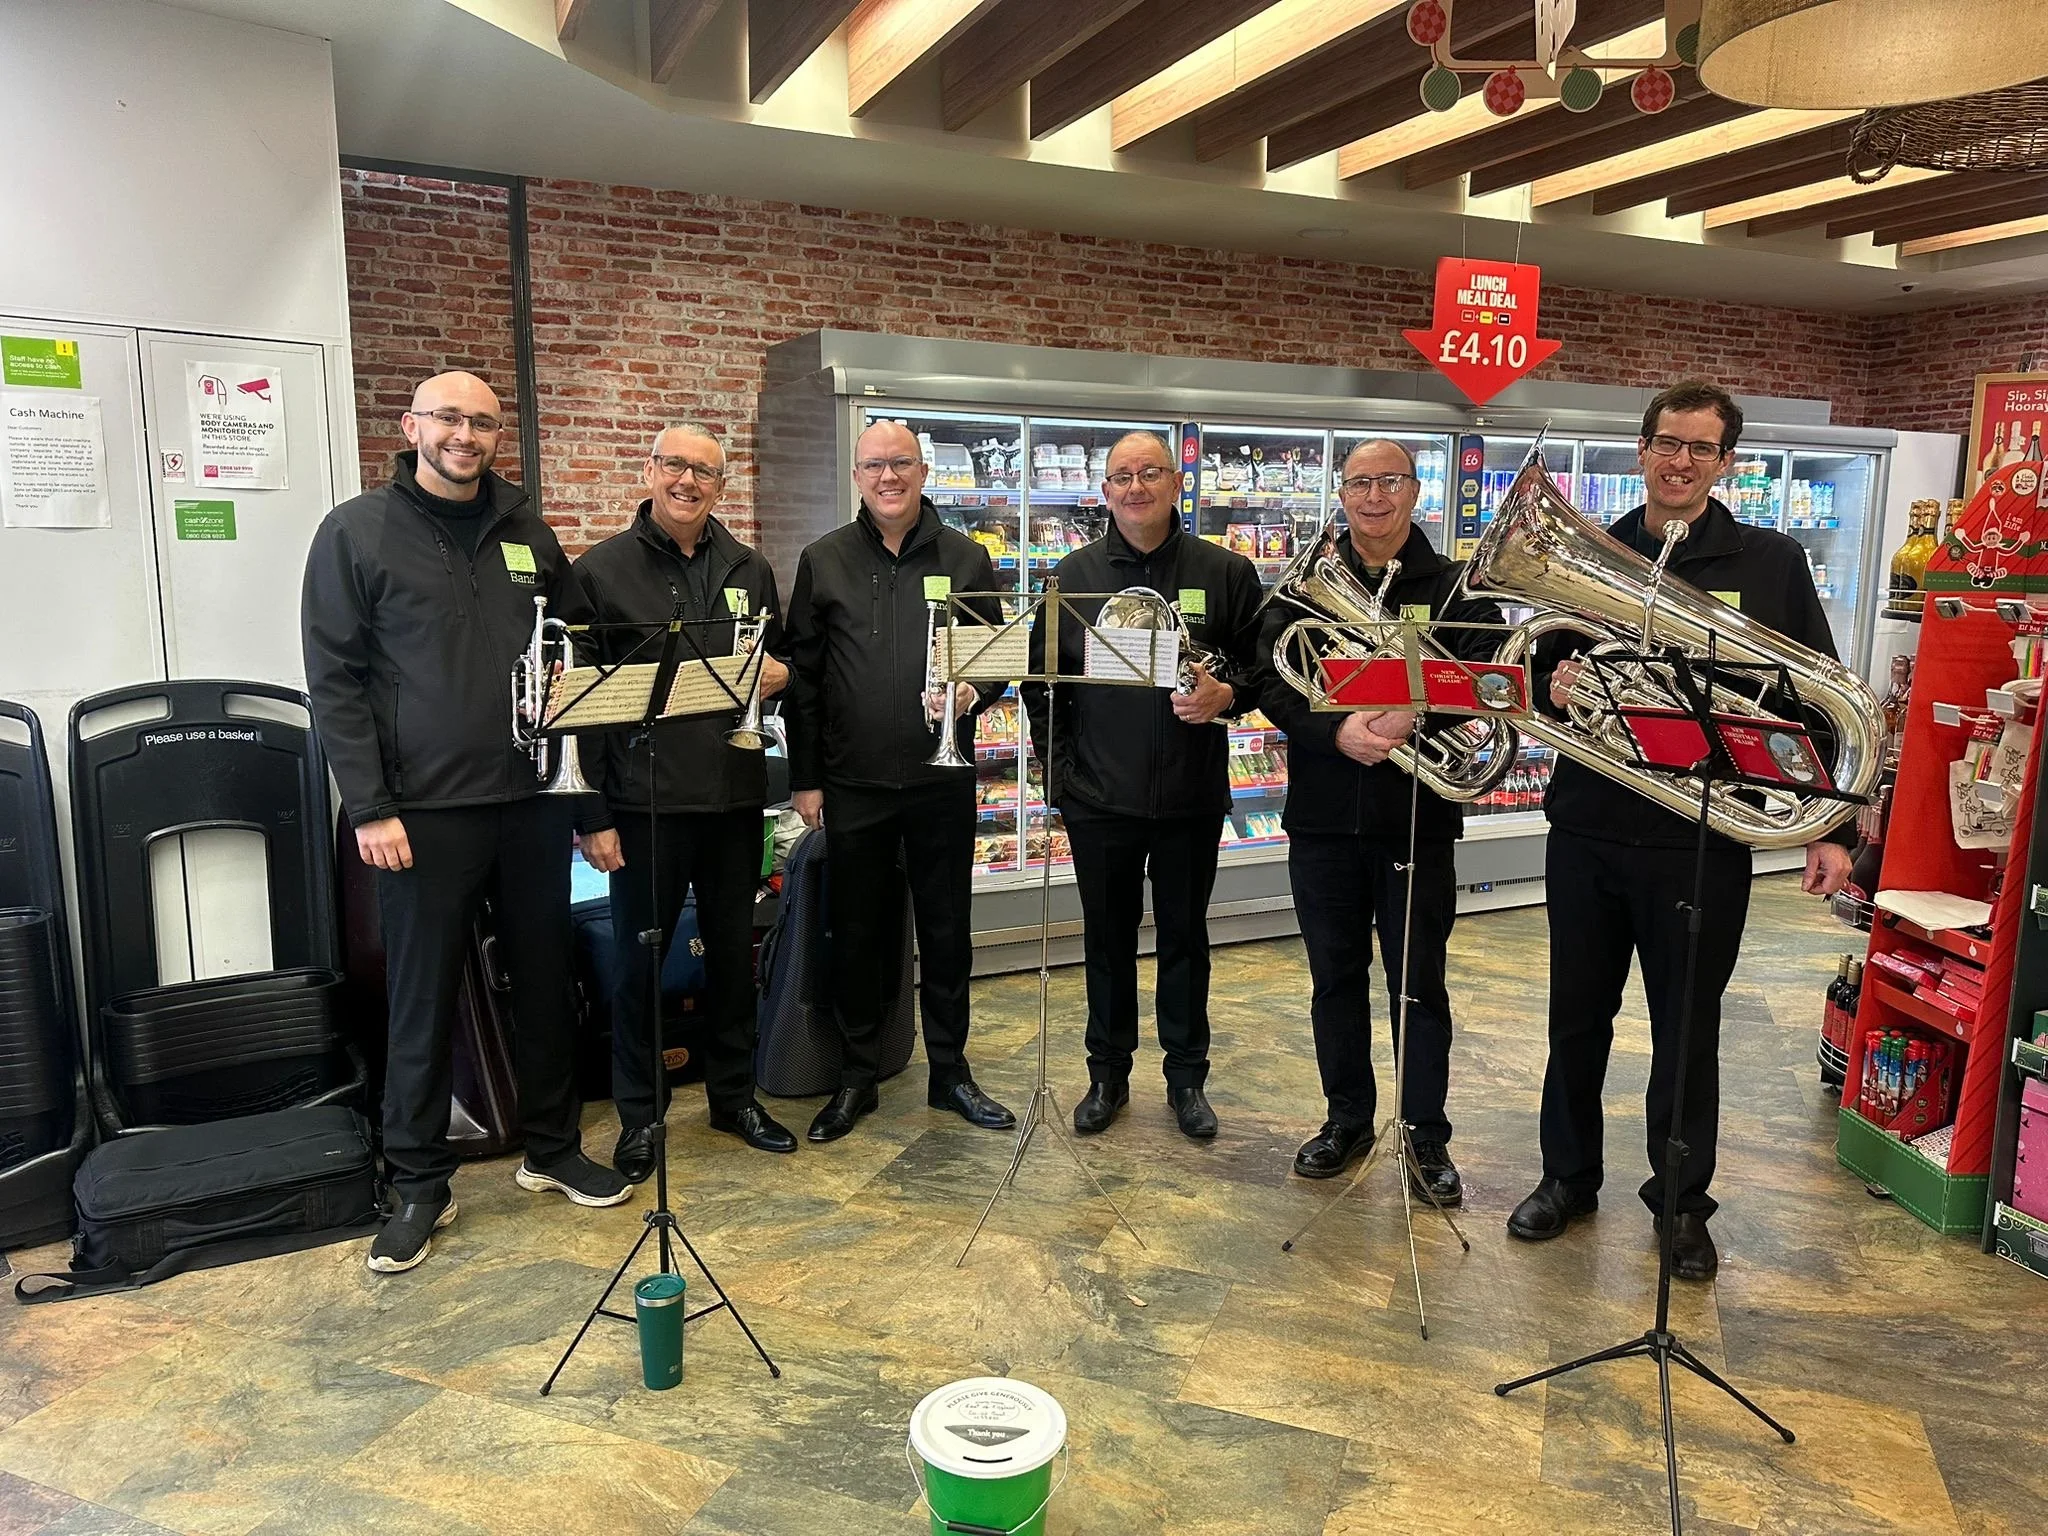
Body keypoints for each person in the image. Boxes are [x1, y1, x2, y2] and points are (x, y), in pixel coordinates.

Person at [1509, 379, 1856, 1280]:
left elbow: (1820, 696)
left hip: (1700, 837)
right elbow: (1540, 660)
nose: (1680, 461)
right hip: (1589, 826)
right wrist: (1552, 681)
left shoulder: (1770, 561)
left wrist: (1831, 828)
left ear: (1726, 463)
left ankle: (1680, 1204)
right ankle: (1566, 1178)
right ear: (1642, 448)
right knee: (1574, 1020)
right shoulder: (1592, 550)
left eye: (1702, 448)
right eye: (1668, 442)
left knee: (1687, 1031)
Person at [301, 371, 630, 1276]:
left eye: (482, 422)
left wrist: (588, 808)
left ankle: (552, 1148)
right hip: (420, 813)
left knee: (547, 981)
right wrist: (370, 807)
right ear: (412, 426)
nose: (465, 435)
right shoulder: (356, 532)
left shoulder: (529, 534)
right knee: (423, 998)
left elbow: (571, 675)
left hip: (530, 802)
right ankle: (418, 1183)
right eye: (449, 418)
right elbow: (333, 679)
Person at [1258, 440, 1501, 1202]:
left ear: (1414, 490)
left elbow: (1489, 666)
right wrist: (1334, 731)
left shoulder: (1456, 587)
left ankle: (1426, 1135)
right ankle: (1347, 1120)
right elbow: (1270, 673)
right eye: (1359, 483)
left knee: (1418, 984)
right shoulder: (1305, 585)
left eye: (1388, 481)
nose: (1373, 497)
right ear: (1341, 493)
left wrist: (1412, 711)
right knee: (1333, 980)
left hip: (1415, 817)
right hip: (1323, 818)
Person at [1023, 431, 1264, 1140]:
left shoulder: (1226, 572)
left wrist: (1228, 695)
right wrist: (1060, 779)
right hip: (1099, 799)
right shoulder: (1071, 576)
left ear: (1176, 481)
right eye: (1122, 476)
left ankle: (1187, 1079)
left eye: (1150, 473)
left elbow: (1262, 671)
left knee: (1186, 941)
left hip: (1190, 796)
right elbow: (1042, 686)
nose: (1136, 487)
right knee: (1106, 941)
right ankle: (1107, 1075)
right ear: (1105, 491)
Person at [574, 423, 798, 1179]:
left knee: (734, 961)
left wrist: (782, 675)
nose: (688, 482)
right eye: (675, 465)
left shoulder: (748, 567)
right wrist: (592, 815)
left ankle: (734, 1098)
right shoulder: (600, 571)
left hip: (734, 799)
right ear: (650, 470)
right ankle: (641, 1117)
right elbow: (582, 706)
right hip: (643, 807)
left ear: (720, 486)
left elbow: (776, 663)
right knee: (638, 969)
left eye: (704, 471)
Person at [783, 421, 1016, 1143]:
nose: (889, 477)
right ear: (858, 475)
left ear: (923, 472)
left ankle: (950, 1072)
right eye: (875, 465)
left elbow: (995, 657)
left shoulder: (967, 556)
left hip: (941, 778)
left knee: (947, 931)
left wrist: (975, 690)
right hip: (852, 784)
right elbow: (805, 681)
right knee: (856, 931)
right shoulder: (823, 560)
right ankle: (857, 1075)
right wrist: (806, 779)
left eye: (902, 464)